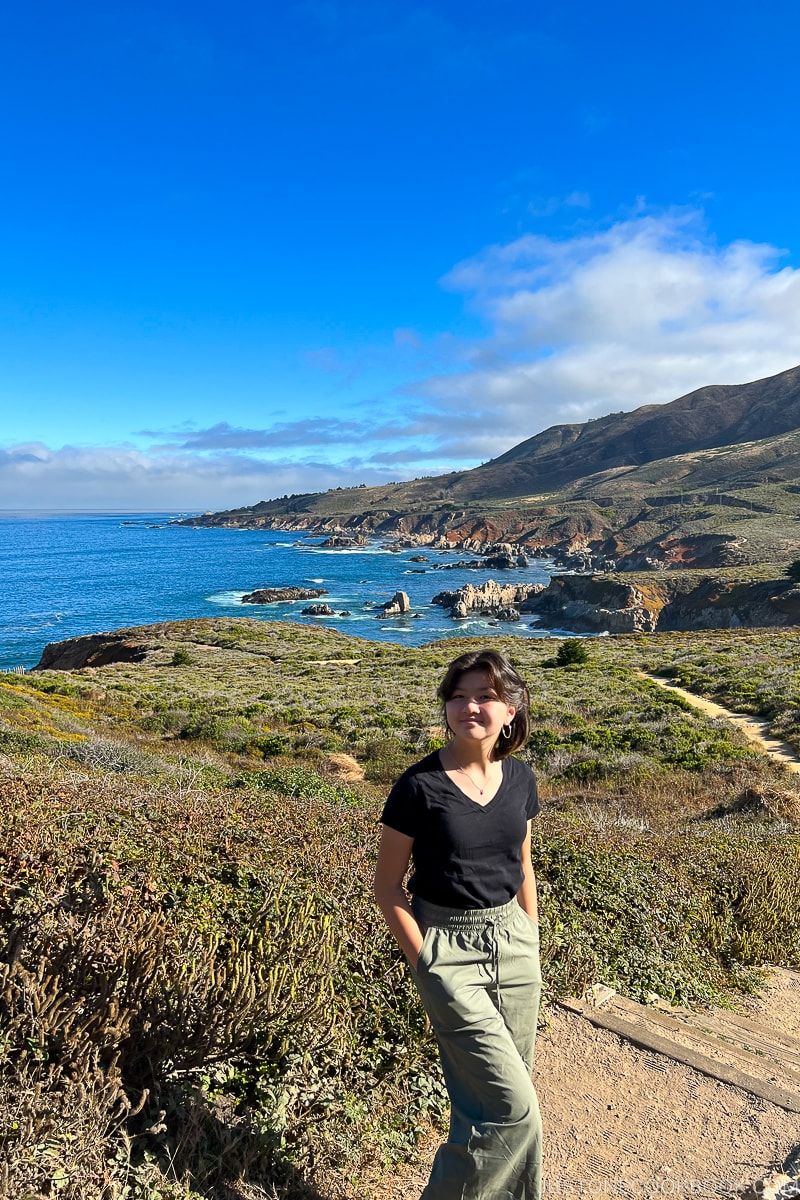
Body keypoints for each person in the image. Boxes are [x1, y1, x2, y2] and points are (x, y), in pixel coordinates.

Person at [374, 648, 543, 1200]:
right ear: (446, 704)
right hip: (446, 947)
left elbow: (522, 862)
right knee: (514, 1109)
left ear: (511, 709)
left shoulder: (519, 778)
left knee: (484, 1107)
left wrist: (530, 934)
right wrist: (427, 962)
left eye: (486, 696)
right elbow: (387, 887)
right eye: (459, 695)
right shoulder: (418, 786)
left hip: (514, 947)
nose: (471, 706)